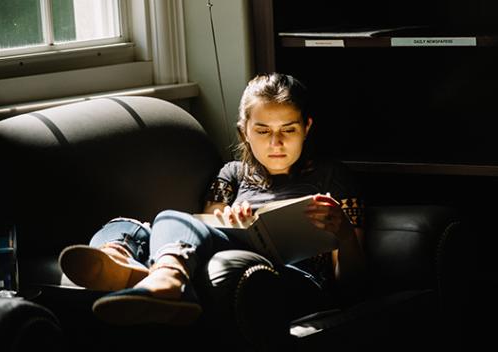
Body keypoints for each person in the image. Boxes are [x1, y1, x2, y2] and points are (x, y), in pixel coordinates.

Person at [58, 72, 366, 329]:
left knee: (170, 218)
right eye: (262, 130)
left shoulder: (332, 178)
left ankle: (161, 276)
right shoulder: (232, 174)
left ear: (306, 127)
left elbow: (352, 284)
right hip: (229, 257)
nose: (276, 143)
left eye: (288, 129)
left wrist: (344, 234)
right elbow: (202, 233)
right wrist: (228, 220)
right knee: (125, 226)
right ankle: (120, 263)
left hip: (295, 281)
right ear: (244, 131)